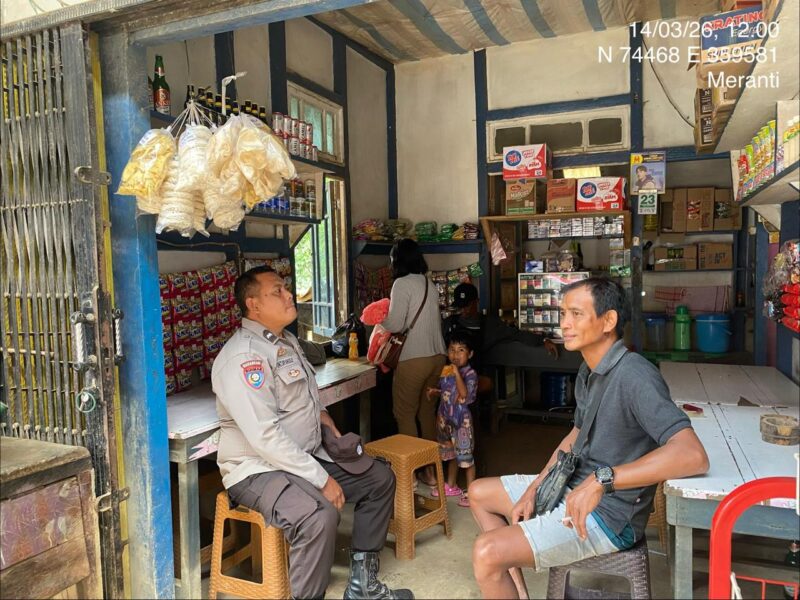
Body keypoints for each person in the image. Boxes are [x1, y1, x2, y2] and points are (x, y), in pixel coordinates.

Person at [468, 277, 709, 599]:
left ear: (608, 320)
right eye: (563, 313)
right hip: (571, 486)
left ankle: (500, 561)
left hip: (611, 514)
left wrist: (602, 480)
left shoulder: (635, 375)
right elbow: (575, 435)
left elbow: (692, 455)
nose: (564, 324)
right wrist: (535, 487)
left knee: (486, 552)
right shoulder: (588, 370)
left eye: (576, 314)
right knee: (478, 493)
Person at [212, 266, 414, 600]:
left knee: (379, 478)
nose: (289, 294)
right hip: (258, 469)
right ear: (253, 305)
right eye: (277, 291)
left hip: (303, 456)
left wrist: (324, 420)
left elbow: (303, 395)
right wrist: (321, 479)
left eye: (285, 288)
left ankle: (363, 586)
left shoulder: (287, 341)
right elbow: (265, 437)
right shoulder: (243, 358)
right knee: (318, 516)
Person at [381, 238, 447, 486]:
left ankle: (413, 470)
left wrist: (379, 319)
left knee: (404, 413)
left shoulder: (401, 283)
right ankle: (432, 470)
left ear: (397, 260)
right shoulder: (428, 283)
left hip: (414, 358)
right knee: (426, 412)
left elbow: (397, 324)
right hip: (437, 357)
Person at [441, 282, 558, 372]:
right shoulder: (449, 324)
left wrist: (543, 340)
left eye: (467, 305)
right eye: (460, 306)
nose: (463, 310)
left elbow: (516, 334)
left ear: (476, 301)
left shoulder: (491, 324)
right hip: (450, 380)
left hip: (475, 380)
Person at [428, 330, 479, 508]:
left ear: (470, 354)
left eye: (461, 350)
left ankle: (473, 493)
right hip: (445, 421)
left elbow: (464, 395)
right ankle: (451, 485)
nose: (455, 355)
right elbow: (448, 391)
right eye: (452, 350)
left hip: (461, 424)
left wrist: (457, 373)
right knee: (450, 455)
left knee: (465, 457)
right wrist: (437, 391)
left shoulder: (470, 374)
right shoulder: (445, 370)